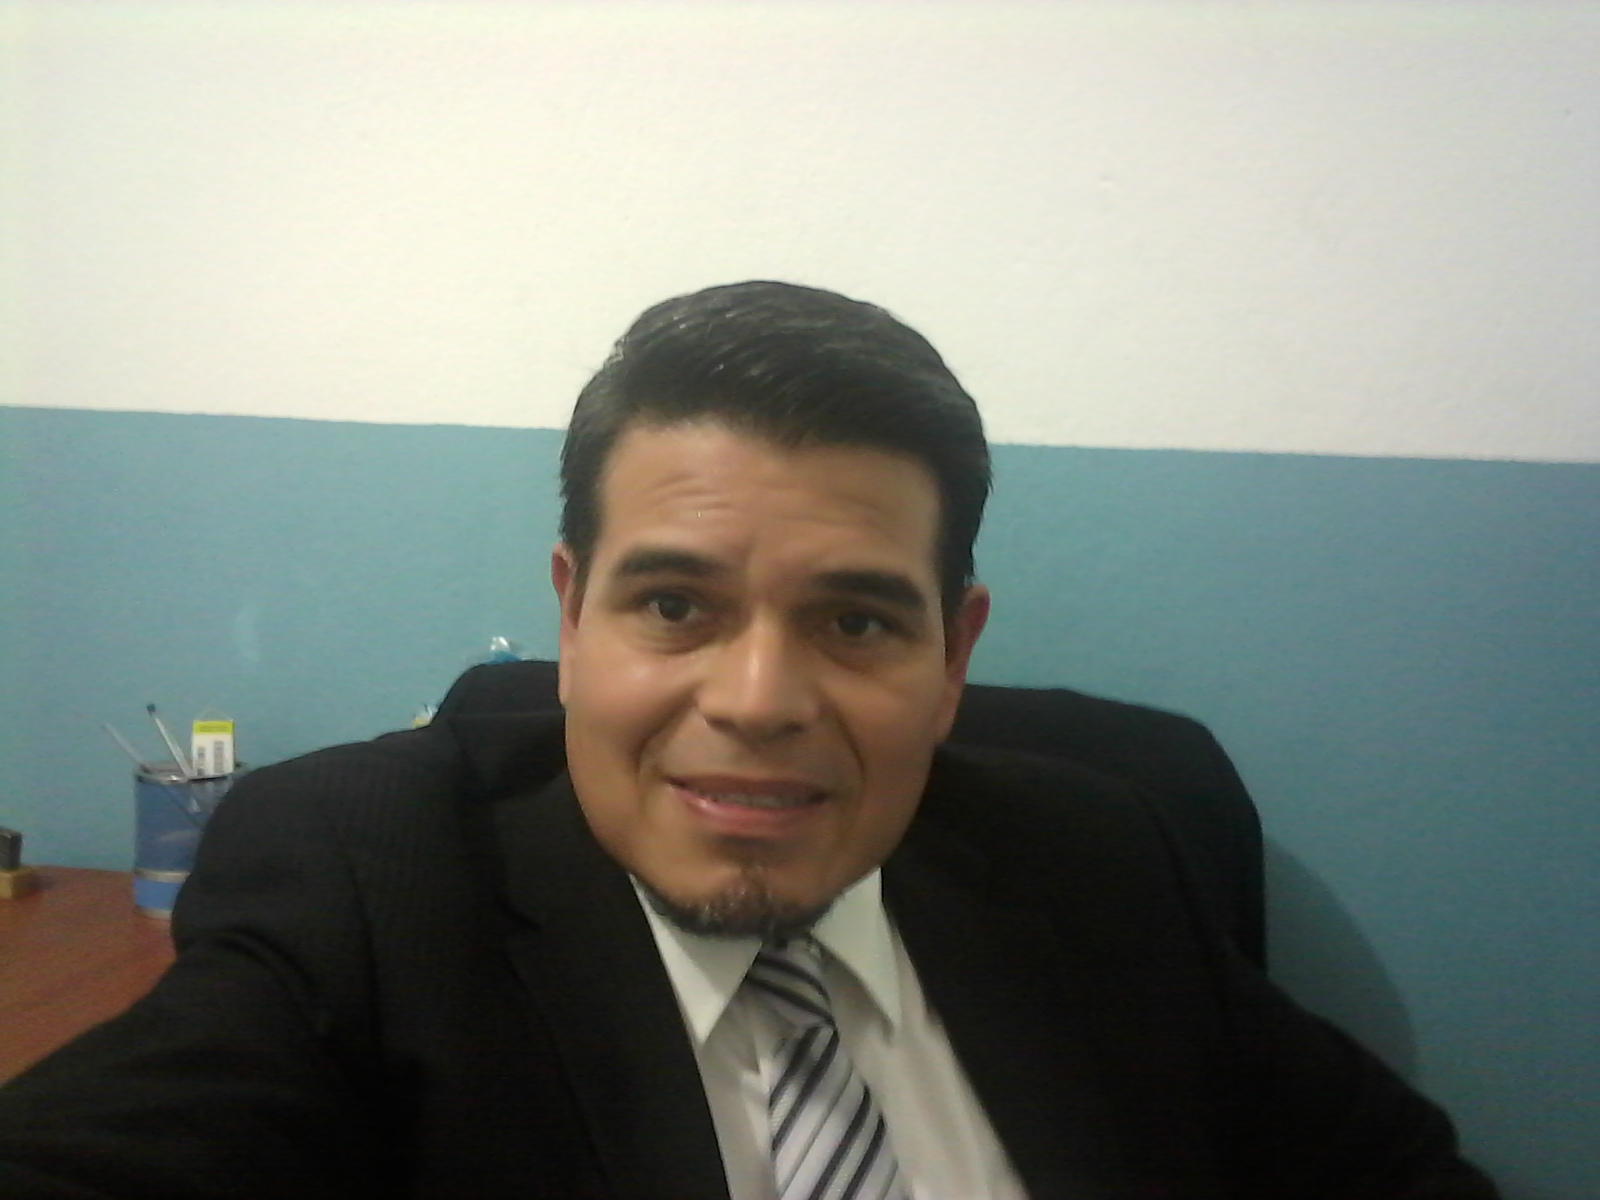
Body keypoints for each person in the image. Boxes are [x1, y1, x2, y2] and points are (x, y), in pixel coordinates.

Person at [0, 282, 1496, 1199]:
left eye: (856, 620)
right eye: (675, 605)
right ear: (573, 617)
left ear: (954, 655)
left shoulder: (1098, 858)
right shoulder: (370, 888)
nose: (762, 698)